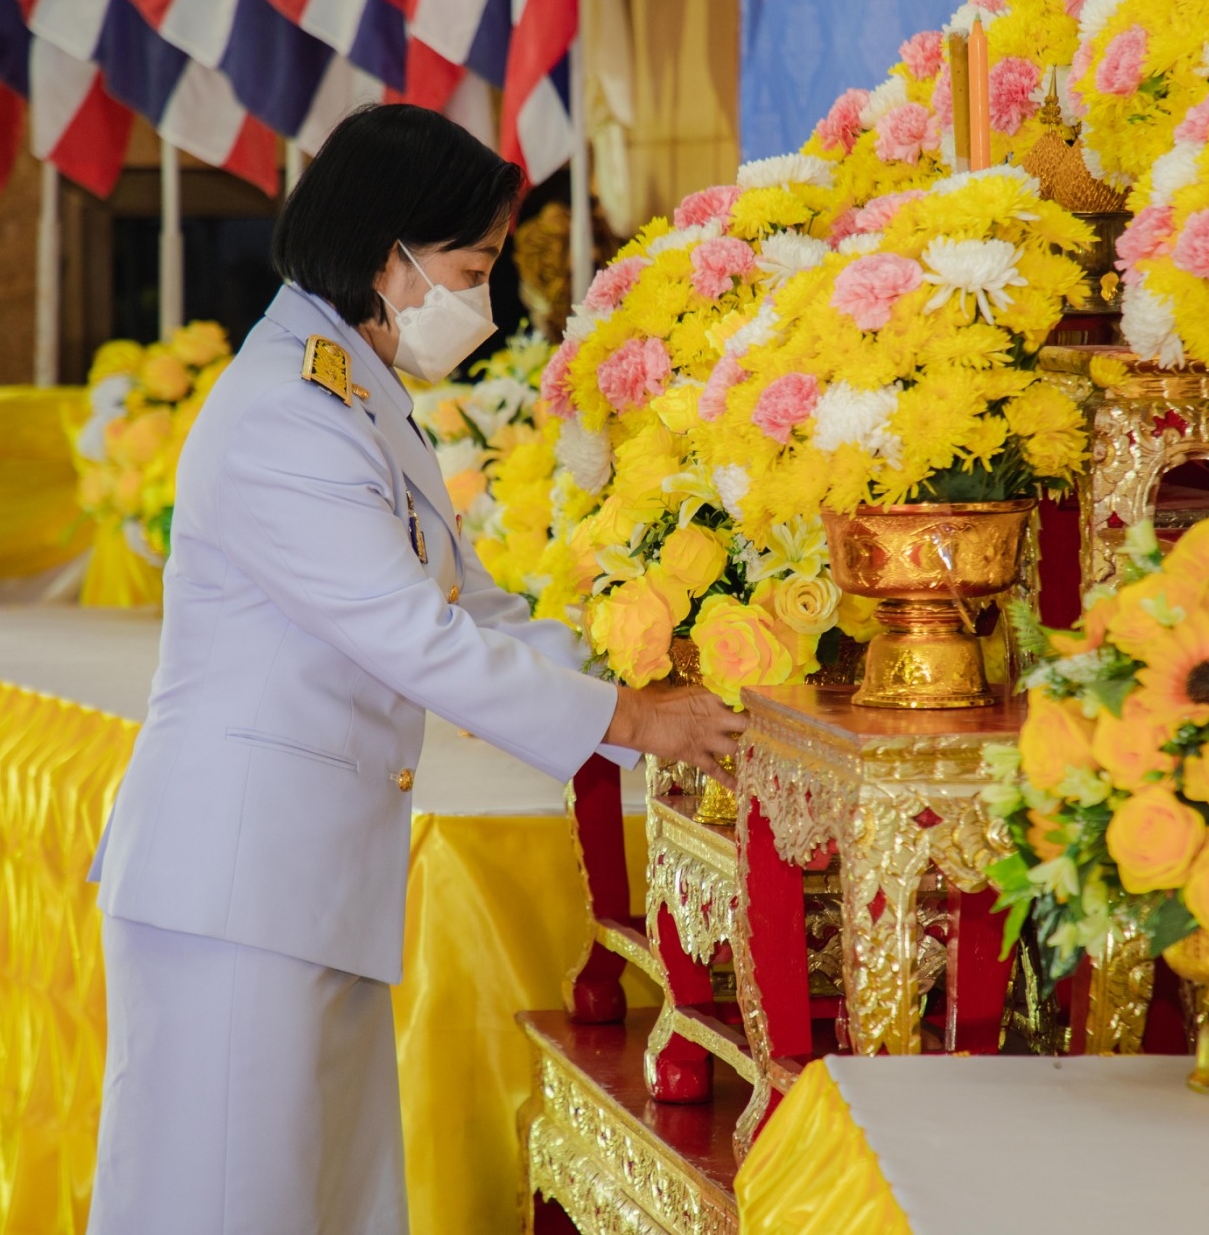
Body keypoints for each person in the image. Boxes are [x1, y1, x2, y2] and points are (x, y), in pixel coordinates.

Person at [85, 105, 743, 1234]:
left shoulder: (351, 389)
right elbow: (415, 637)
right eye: (468, 265)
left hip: (297, 879)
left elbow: (466, 602)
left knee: (313, 1199)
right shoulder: (291, 413)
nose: (476, 296)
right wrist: (632, 719)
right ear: (387, 253)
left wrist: (633, 664)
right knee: (229, 1202)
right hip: (241, 886)